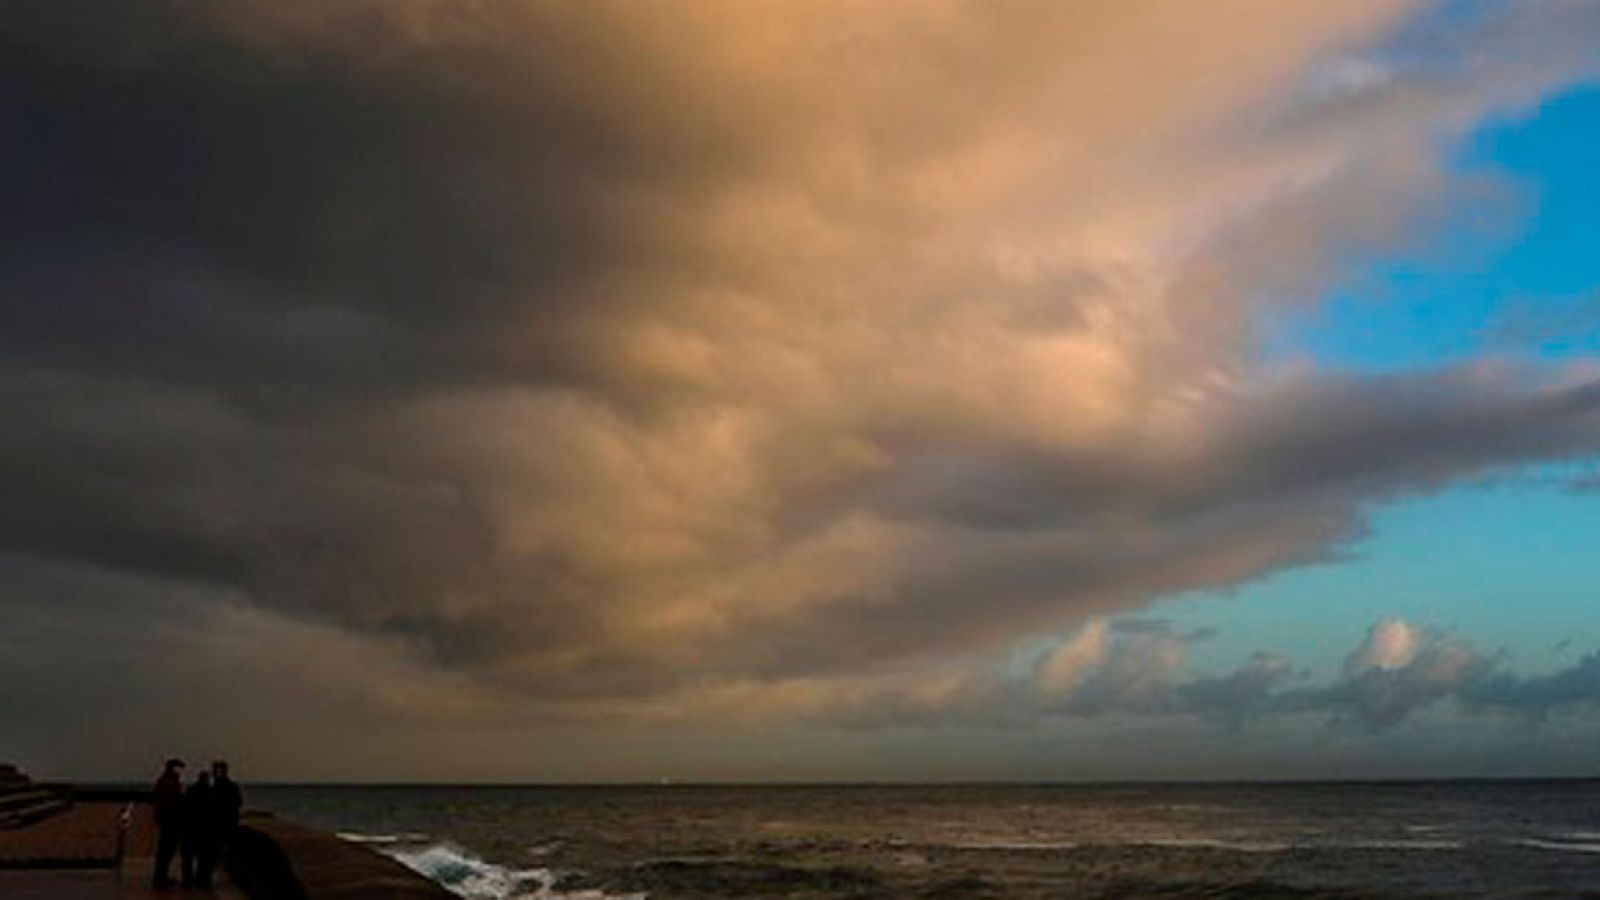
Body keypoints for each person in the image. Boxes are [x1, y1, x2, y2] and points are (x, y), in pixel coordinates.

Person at [199, 760, 243, 887]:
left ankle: (205, 878)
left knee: (215, 853)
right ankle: (205, 878)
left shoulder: (218, 788)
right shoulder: (223, 787)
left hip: (222, 825)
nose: (214, 773)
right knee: (215, 853)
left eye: (216, 770)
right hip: (221, 825)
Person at [150, 758, 185, 889]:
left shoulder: (165, 781)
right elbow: (172, 802)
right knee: (166, 851)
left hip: (167, 821)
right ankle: (160, 879)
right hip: (170, 822)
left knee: (166, 852)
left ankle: (161, 877)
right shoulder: (168, 783)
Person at [179, 771, 214, 888]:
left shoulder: (191, 791)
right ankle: (202, 879)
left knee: (188, 857)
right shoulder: (209, 792)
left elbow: (184, 807)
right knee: (204, 856)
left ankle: (187, 880)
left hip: (190, 828)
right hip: (204, 828)